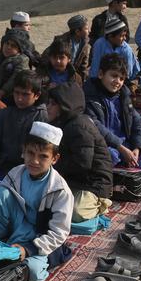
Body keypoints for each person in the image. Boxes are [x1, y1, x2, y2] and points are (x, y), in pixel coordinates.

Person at [0, 122, 73, 281]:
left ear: (54, 158)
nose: (35, 161)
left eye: (43, 156)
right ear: (23, 151)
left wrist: (28, 249)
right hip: (14, 227)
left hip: (38, 238)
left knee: (33, 272)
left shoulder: (60, 190)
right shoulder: (15, 173)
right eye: (30, 153)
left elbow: (58, 233)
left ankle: (14, 253)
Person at [45, 82, 113, 222]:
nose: (48, 107)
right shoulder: (61, 123)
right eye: (48, 103)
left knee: (74, 212)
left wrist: (52, 167)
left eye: (53, 104)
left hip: (93, 185)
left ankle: (101, 204)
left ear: (65, 105)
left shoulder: (79, 126)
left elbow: (82, 164)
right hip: (74, 180)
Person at [83, 53, 141, 176]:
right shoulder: (90, 96)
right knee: (111, 158)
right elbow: (95, 126)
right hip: (104, 145)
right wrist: (120, 148)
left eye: (121, 78)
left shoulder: (124, 96)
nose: (117, 82)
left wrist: (137, 148)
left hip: (125, 146)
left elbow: (137, 122)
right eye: (114, 76)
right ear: (101, 74)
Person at [0, 71, 48, 180]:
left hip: (29, 172)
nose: (19, 98)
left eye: (25, 94)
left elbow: (42, 151)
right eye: (16, 93)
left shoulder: (42, 116)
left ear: (37, 95)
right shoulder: (4, 113)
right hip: (2, 169)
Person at [0, 29, 33, 103]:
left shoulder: (22, 60)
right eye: (7, 43)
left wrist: (1, 93)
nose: (8, 47)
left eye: (13, 46)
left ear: (19, 49)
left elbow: (15, 79)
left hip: (12, 97)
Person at [45, 15, 91, 80]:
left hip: (72, 76)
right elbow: (46, 56)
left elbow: (84, 64)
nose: (89, 31)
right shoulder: (61, 42)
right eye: (86, 29)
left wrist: (82, 79)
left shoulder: (84, 43)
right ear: (77, 32)